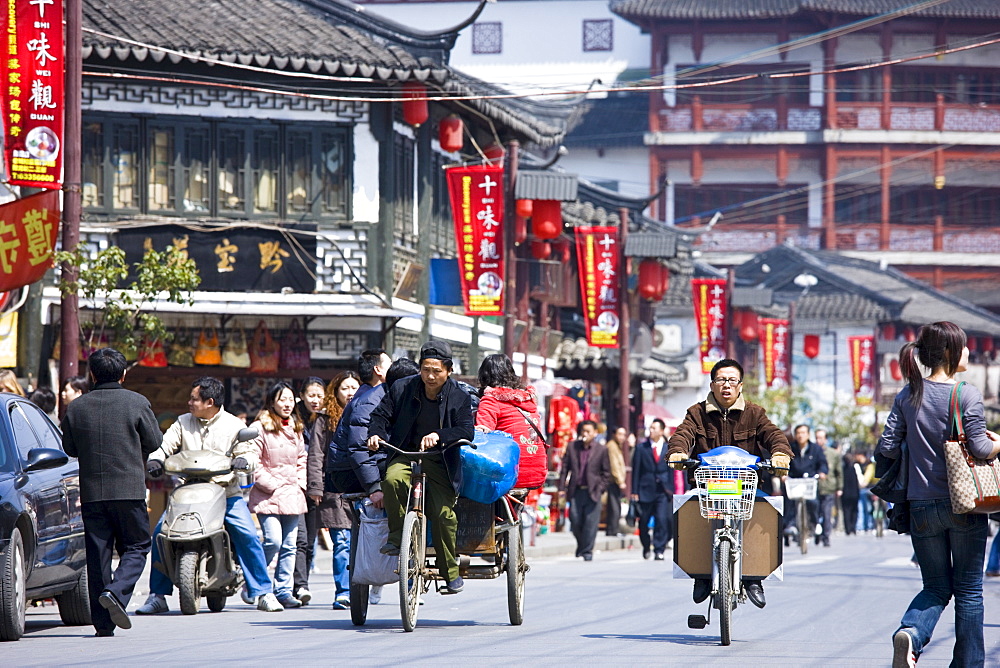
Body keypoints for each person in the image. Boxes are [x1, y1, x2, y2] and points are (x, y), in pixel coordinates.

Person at [878, 321, 1000, 667]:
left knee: (934, 586)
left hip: (920, 506)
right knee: (969, 592)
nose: (967, 352)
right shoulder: (965, 393)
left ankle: (912, 634)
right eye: (963, 347)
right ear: (948, 353)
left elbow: (887, 446)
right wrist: (998, 444)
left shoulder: (907, 394)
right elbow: (978, 446)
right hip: (964, 505)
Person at [136, 377, 283, 615]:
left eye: (194, 399)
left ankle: (263, 592)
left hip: (226, 492)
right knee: (160, 532)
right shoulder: (183, 422)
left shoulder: (234, 425)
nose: (189, 402)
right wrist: (156, 459)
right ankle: (158, 595)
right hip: (186, 491)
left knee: (247, 534)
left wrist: (244, 460)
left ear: (209, 402)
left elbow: (249, 452)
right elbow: (165, 446)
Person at [666, 358, 793, 610]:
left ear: (740, 385)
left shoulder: (755, 413)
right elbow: (683, 434)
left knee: (764, 509)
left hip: (745, 485)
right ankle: (701, 574)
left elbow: (773, 435)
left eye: (732, 380)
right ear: (712, 384)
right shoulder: (696, 413)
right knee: (690, 510)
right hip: (707, 484)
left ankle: (755, 576)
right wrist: (678, 452)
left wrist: (780, 454)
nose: (726, 385)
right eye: (721, 380)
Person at [61, 348, 163, 636]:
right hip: (129, 491)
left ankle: (103, 625)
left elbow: (69, 449)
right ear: (123, 374)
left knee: (98, 555)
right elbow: (154, 441)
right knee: (137, 546)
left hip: (92, 492)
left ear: (91, 375)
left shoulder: (77, 408)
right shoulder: (137, 402)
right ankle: (117, 591)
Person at [366, 340, 474, 594]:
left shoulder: (458, 396)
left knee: (444, 515)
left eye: (436, 371)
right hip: (405, 453)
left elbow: (466, 429)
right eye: (426, 369)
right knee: (392, 480)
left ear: (448, 370)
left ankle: (450, 571)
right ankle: (397, 538)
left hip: (440, 460)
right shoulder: (402, 388)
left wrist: (440, 435)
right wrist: (375, 434)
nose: (430, 376)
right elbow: (380, 415)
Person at [248, 381, 308, 608]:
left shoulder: (296, 427)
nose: (287, 404)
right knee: (273, 540)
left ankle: (283, 590)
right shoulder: (259, 427)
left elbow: (302, 457)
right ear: (272, 401)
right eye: (282, 399)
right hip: (268, 494)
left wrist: (300, 482)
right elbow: (253, 461)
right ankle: (255, 582)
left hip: (292, 492)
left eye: (291, 400)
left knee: (290, 545)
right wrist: (272, 484)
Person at [307, 371, 360, 610]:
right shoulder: (324, 418)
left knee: (363, 541)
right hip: (335, 487)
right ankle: (344, 591)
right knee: (342, 542)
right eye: (344, 388)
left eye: (354, 388)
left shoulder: (367, 411)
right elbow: (316, 454)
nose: (349, 393)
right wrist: (316, 486)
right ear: (335, 393)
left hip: (364, 485)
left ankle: (365, 585)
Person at [474, 353, 547, 490]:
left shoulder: (491, 399)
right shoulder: (528, 399)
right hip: (537, 471)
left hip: (512, 475)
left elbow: (482, 435)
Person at [293, 376, 326, 605]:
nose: (315, 400)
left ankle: (301, 582)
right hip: (294, 484)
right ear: (302, 395)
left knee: (311, 540)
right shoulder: (291, 418)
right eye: (311, 395)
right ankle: (299, 585)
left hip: (316, 485)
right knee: (300, 539)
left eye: (319, 396)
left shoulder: (325, 419)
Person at [558, 420, 611, 561]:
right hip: (576, 490)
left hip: (593, 491)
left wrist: (600, 488)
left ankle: (587, 551)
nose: (585, 434)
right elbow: (564, 469)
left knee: (590, 522)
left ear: (595, 433)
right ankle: (582, 545)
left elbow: (606, 473)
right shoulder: (572, 447)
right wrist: (561, 488)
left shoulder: (602, 449)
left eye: (588, 431)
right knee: (575, 520)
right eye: (583, 431)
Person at [632, 418, 675, 560]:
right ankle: (645, 545)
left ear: (661, 431)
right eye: (650, 428)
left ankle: (659, 549)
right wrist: (634, 491)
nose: (651, 431)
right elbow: (636, 471)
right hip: (645, 489)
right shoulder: (641, 448)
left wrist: (672, 489)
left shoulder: (669, 448)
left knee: (662, 519)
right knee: (643, 521)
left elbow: (673, 472)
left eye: (654, 428)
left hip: (663, 490)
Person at [786, 424, 828, 543]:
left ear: (808, 434)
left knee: (813, 502)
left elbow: (823, 464)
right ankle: (791, 525)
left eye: (803, 433)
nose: (800, 435)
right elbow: (786, 463)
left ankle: (815, 523)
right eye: (798, 433)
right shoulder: (791, 448)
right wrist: (784, 474)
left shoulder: (816, 449)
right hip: (794, 481)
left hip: (810, 481)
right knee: (790, 501)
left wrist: (822, 473)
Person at [815, 428, 842, 545]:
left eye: (821, 438)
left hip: (828, 487)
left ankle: (826, 537)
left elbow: (838, 472)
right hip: (814, 487)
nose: (818, 440)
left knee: (826, 513)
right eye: (816, 438)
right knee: (814, 512)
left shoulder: (833, 454)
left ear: (825, 439)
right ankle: (815, 532)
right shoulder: (813, 451)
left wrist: (839, 488)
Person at [604, 427, 629, 536]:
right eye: (620, 434)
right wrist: (620, 481)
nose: (622, 437)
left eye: (624, 435)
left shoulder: (617, 446)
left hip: (615, 481)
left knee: (615, 505)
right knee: (614, 506)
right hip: (613, 481)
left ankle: (613, 529)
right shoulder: (612, 446)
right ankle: (612, 530)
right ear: (614, 434)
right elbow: (614, 465)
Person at [840, 450, 862, 536]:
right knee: (854, 511)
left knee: (847, 511)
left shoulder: (843, 469)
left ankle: (848, 528)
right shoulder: (853, 469)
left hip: (845, 494)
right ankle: (852, 527)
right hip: (854, 494)